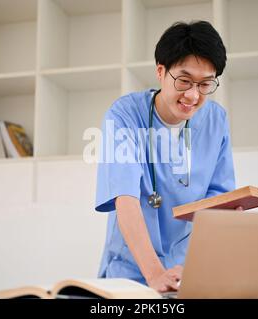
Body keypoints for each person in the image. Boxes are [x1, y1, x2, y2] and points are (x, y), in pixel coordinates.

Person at [94, 20, 236, 293]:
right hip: (130, 272)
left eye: (205, 84)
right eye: (184, 81)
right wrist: (155, 273)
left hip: (186, 272)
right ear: (161, 71)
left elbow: (217, 200)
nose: (193, 95)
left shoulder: (216, 120)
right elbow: (125, 199)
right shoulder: (124, 115)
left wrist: (229, 214)